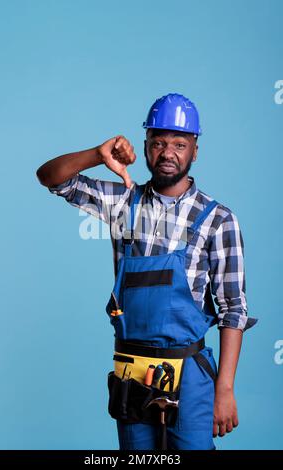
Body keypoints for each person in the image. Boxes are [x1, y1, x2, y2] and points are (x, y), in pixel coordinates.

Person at [36, 93, 257, 450]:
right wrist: (97, 154)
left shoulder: (218, 220)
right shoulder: (123, 202)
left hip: (189, 374)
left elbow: (233, 309)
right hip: (132, 372)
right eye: (159, 143)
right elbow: (50, 177)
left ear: (195, 151)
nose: (168, 153)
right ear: (146, 146)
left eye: (179, 144)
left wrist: (225, 390)